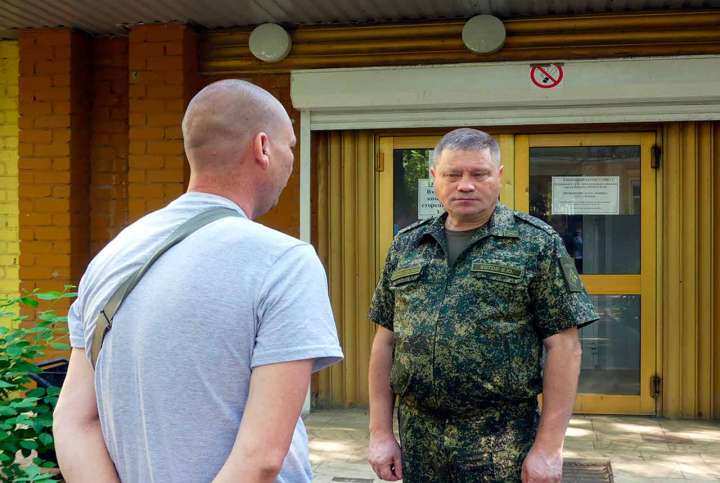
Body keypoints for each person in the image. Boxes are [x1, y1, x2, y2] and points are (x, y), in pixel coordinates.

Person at [53, 79, 343, 483]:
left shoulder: (112, 257)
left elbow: (73, 420)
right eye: (290, 146)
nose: (292, 161)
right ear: (262, 147)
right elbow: (261, 457)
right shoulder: (285, 262)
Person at [367, 128, 598, 482]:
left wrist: (549, 448)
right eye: (453, 174)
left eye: (479, 174)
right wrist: (380, 433)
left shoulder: (536, 244)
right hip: (419, 441)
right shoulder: (407, 245)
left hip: (500, 445)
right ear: (434, 177)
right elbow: (385, 341)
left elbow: (565, 347)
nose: (465, 185)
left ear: (499, 176)